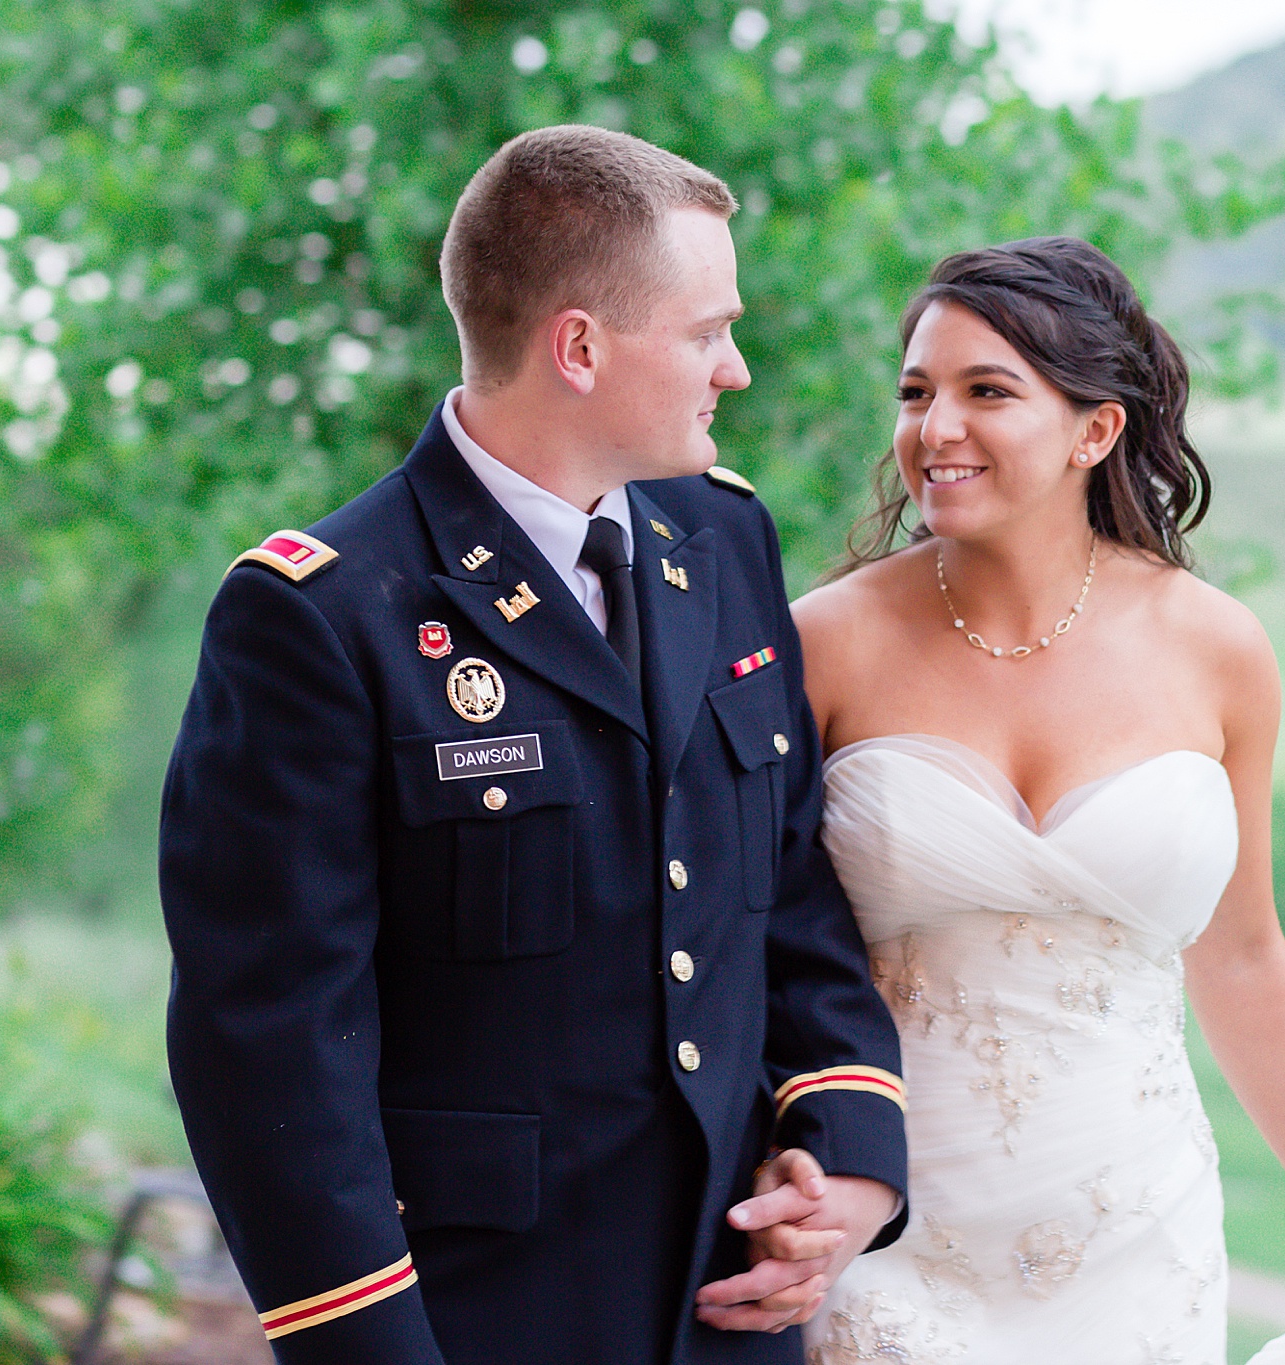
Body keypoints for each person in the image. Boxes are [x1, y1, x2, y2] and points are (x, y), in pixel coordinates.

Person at [158, 125, 906, 1365]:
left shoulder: (721, 541)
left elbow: (785, 893)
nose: (738, 370)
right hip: (478, 1323)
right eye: (707, 331)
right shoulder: (319, 615)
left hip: (729, 1318)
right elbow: (271, 1049)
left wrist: (851, 1160)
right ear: (578, 346)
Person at [782, 237, 1285, 1363]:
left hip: (1134, 1231)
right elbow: (748, 942)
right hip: (887, 1230)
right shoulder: (826, 644)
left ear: (1093, 431)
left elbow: (1243, 958)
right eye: (916, 393)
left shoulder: (1215, 650)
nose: (933, 428)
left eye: (985, 392)